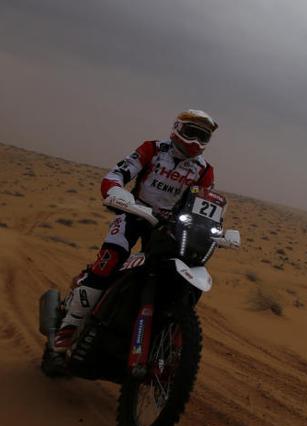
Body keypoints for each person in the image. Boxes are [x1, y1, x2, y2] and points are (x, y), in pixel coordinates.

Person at [53, 109, 219, 353]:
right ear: (177, 128)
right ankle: (70, 325)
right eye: (190, 133)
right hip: (134, 213)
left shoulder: (204, 170)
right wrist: (117, 192)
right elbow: (116, 174)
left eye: (201, 137)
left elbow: (203, 206)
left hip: (168, 227)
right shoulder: (153, 149)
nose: (195, 141)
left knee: (170, 272)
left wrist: (209, 229)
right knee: (110, 261)